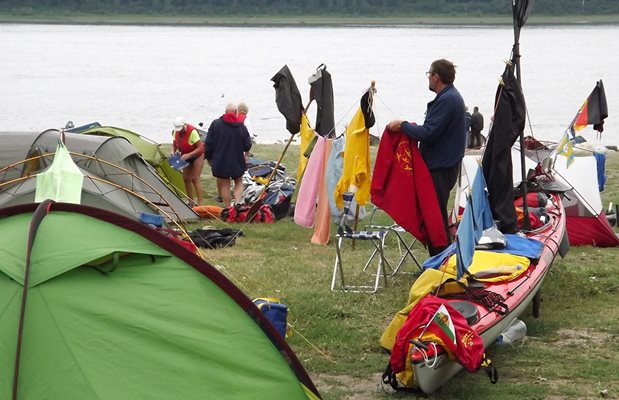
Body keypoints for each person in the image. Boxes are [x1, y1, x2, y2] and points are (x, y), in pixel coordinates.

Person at [387, 58, 467, 256]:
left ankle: (441, 264)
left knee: (435, 218)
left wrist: (403, 125)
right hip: (443, 165)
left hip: (440, 168)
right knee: (433, 216)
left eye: (429, 75)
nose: (428, 79)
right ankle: (438, 262)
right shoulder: (450, 97)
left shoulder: (448, 99)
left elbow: (429, 132)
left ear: (436, 77)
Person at [205, 103, 253, 208]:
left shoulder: (216, 124)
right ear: (236, 113)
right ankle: (237, 204)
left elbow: (208, 142)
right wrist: (245, 151)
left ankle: (228, 208)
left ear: (225, 112)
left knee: (225, 184)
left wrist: (209, 157)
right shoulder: (241, 127)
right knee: (238, 181)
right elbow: (247, 144)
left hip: (221, 159)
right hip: (237, 159)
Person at [171, 116, 205, 206]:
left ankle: (200, 203)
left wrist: (189, 155)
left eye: (181, 129)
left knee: (195, 178)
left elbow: (200, 148)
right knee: (186, 179)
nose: (179, 131)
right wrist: (172, 152)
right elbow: (174, 144)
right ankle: (191, 202)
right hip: (186, 156)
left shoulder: (192, 132)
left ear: (185, 125)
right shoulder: (175, 132)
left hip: (197, 155)